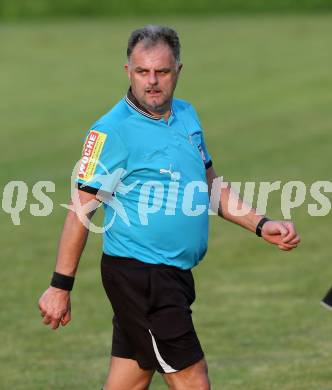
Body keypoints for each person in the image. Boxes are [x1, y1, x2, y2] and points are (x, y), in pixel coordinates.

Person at [38, 25, 301, 390]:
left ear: (178, 70)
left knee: (128, 380)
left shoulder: (187, 116)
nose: (152, 81)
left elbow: (210, 185)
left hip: (172, 276)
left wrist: (261, 224)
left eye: (161, 71)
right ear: (127, 71)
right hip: (142, 276)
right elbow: (80, 210)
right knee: (193, 379)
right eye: (142, 71)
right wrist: (59, 286)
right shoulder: (111, 131)